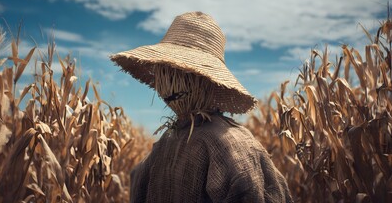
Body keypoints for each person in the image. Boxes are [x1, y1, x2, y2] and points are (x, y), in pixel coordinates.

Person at [110, 12, 293, 202]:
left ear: (205, 80)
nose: (168, 85)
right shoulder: (169, 142)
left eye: (180, 74)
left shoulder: (229, 144)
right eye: (165, 73)